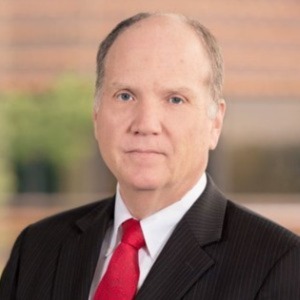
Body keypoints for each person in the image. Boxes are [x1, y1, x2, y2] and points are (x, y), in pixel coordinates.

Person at [0, 12, 300, 300]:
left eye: (175, 99)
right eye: (125, 95)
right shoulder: (37, 248)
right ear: (96, 114)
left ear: (215, 123)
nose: (145, 124)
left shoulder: (278, 265)